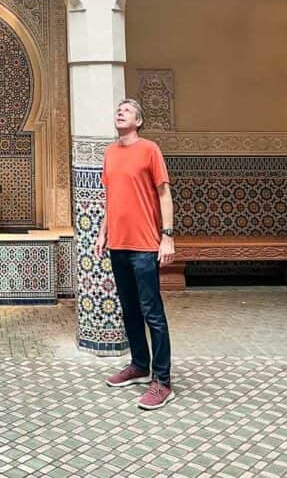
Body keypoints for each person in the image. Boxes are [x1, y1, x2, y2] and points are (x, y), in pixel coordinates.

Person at [94, 98, 176, 410]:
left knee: (152, 311)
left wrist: (166, 237)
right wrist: (103, 233)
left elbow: (164, 193)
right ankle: (139, 365)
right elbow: (112, 199)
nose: (119, 112)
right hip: (119, 244)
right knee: (129, 309)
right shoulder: (111, 153)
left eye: (126, 110)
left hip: (145, 245)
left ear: (138, 121)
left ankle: (162, 381)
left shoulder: (149, 150)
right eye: (118, 109)